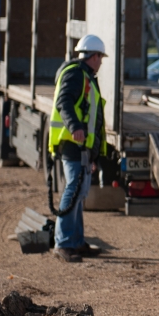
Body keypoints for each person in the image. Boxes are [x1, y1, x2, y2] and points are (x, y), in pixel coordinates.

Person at [48, 34, 109, 262]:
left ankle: (76, 242)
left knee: (79, 193)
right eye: (100, 57)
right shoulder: (75, 74)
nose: (101, 62)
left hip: (83, 146)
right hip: (73, 144)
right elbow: (64, 102)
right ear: (93, 56)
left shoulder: (86, 76)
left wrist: (92, 154)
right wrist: (74, 127)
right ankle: (63, 244)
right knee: (73, 191)